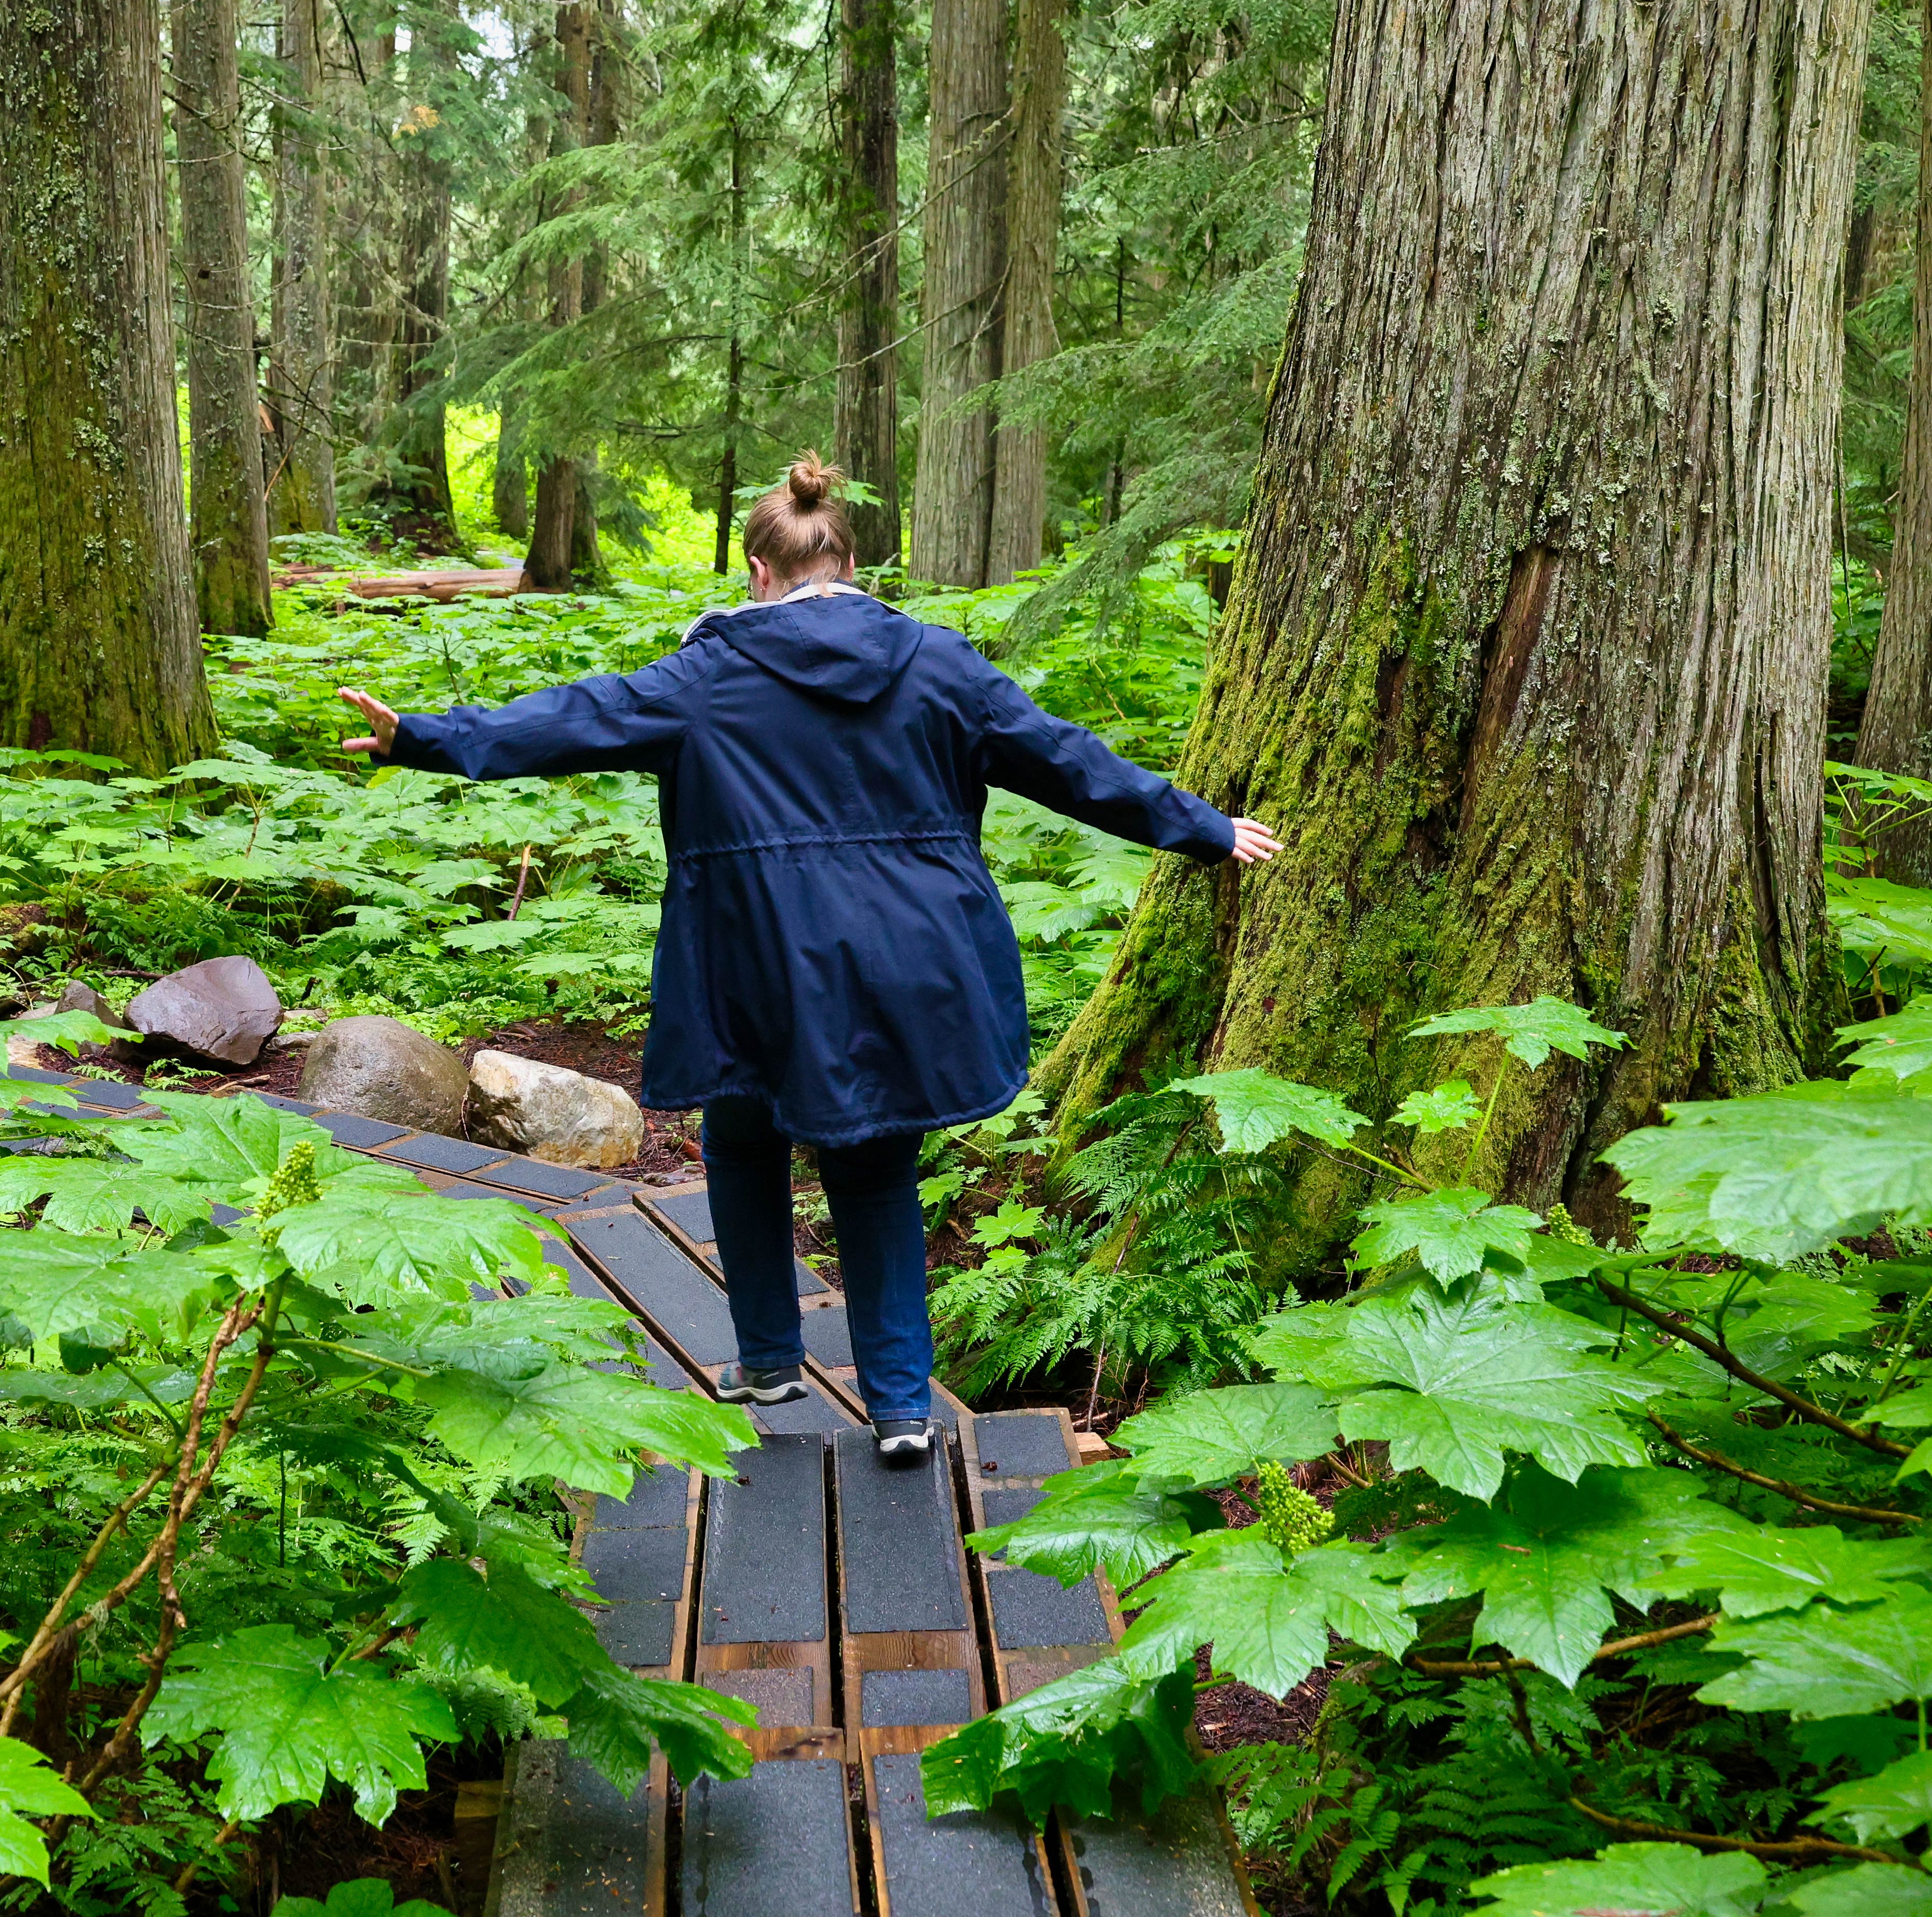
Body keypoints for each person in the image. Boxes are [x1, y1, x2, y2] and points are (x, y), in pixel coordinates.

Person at [339, 455, 1280, 1467]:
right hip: (909, 960)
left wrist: (422, 738)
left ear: (759, 571)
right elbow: (1065, 758)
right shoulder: (938, 662)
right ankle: (902, 1408)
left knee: (743, 1134)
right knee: (875, 1166)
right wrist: (1202, 827)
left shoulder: (707, 676)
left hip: (756, 959)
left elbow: (575, 717)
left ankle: (770, 1358)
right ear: (851, 563)